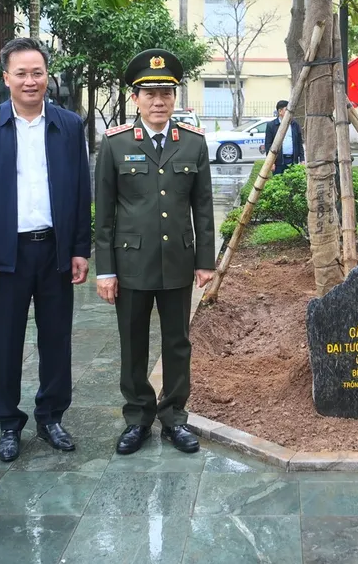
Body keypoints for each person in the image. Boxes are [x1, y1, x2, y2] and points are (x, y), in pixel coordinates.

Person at [0, 38, 92, 463]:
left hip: (54, 250)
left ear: (47, 76)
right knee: (4, 341)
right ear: (6, 78)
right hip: (5, 255)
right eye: (21, 73)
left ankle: (51, 416)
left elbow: (81, 190)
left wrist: (80, 248)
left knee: (56, 338)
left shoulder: (68, 125)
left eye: (37, 72)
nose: (30, 81)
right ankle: (8, 422)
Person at [95, 49, 216, 455]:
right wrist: (105, 270)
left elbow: (203, 207)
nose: (159, 101)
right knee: (133, 342)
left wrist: (205, 261)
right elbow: (105, 214)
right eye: (150, 94)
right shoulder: (115, 144)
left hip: (178, 260)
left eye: (166, 93)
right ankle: (138, 418)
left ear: (175, 97)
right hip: (131, 263)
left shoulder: (193, 144)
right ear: (135, 98)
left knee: (177, 342)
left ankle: (174, 417)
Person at [263, 99, 304, 174]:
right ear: (280, 111)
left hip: (292, 161)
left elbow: (299, 142)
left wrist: (302, 159)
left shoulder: (294, 124)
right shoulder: (271, 126)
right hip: (278, 162)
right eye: (287, 110)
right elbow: (268, 145)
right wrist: (271, 162)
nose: (290, 112)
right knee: (279, 180)